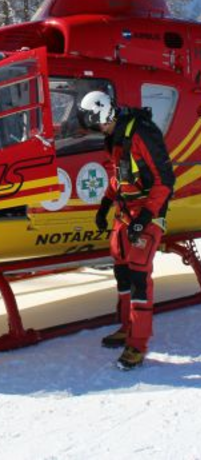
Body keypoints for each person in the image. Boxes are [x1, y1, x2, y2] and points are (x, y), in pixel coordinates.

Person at [78, 91, 175, 370]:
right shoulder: (115, 135)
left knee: (138, 273)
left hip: (150, 211)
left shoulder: (143, 133)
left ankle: (138, 343)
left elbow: (165, 181)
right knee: (120, 266)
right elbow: (119, 174)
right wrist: (105, 204)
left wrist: (143, 219)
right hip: (125, 210)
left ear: (105, 115)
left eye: (97, 125)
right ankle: (126, 327)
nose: (98, 130)